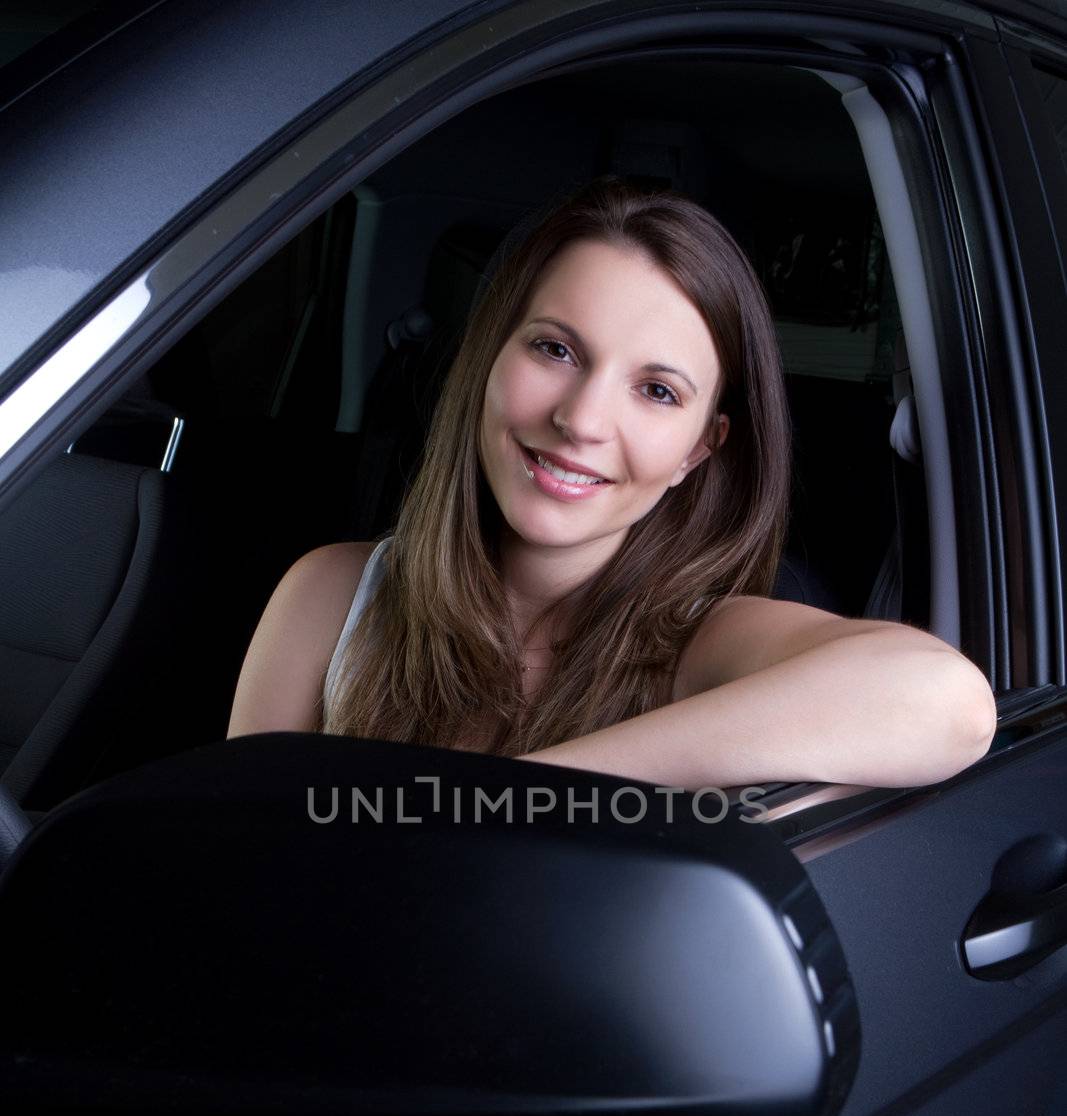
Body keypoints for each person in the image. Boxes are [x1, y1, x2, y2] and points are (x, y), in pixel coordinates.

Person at [227, 176, 996, 791]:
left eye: (657, 391)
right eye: (555, 350)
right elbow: (234, 869)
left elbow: (943, 702)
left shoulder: (701, 645)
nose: (583, 420)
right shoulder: (331, 595)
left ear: (699, 450)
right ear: (486, 360)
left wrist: (507, 803)